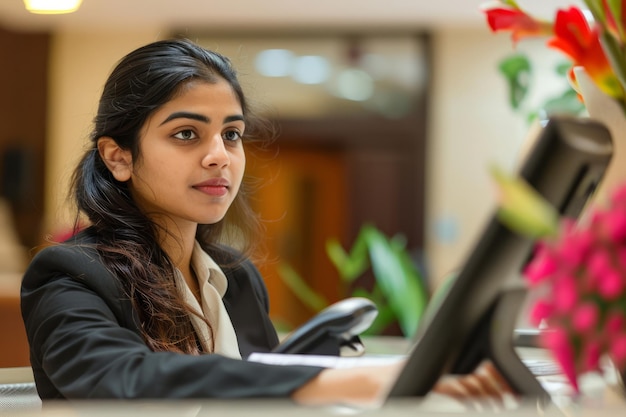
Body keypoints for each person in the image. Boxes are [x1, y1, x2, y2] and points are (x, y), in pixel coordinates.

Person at [21, 38, 511, 406]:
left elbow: (262, 400)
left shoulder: (235, 277)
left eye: (231, 135)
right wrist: (355, 381)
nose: (220, 157)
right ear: (118, 157)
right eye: (187, 133)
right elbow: (126, 380)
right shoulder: (69, 275)